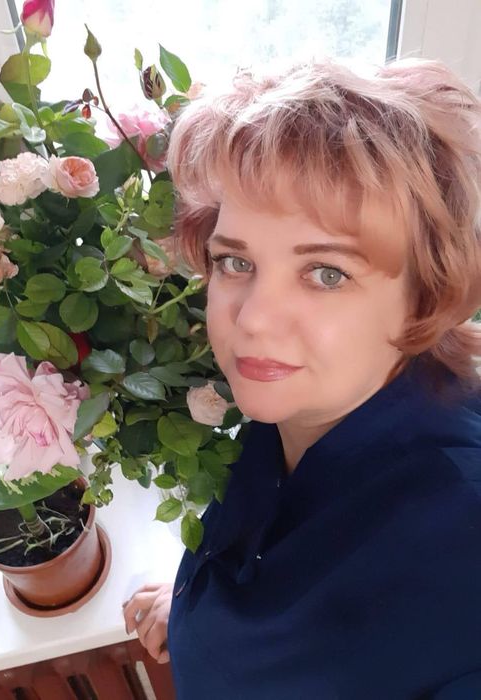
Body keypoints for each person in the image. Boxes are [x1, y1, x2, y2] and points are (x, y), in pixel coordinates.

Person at [123, 56, 481, 699]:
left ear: (424, 297)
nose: (253, 320)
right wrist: (193, 606)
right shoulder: (305, 400)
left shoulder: (461, 559)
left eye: (326, 273)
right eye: (235, 262)